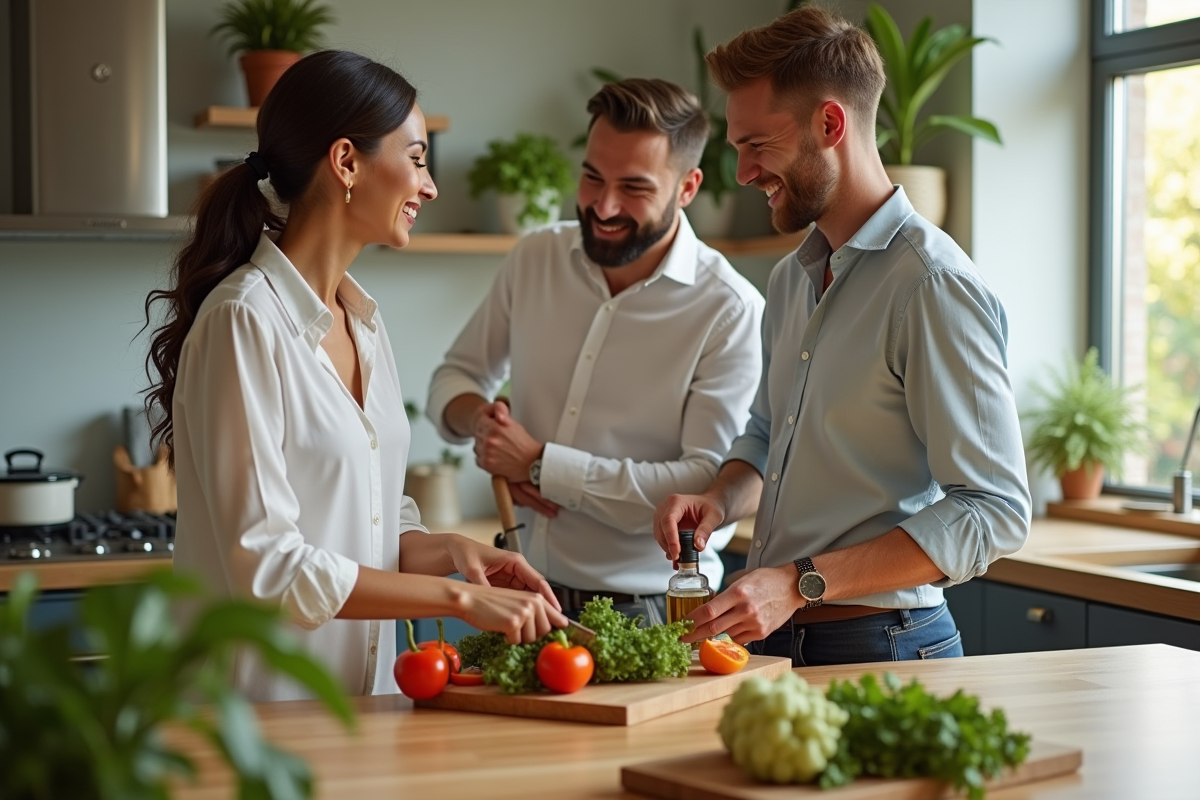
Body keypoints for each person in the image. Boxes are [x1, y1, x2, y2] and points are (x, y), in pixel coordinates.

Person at [144, 51, 566, 702]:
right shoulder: (244, 321)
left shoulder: (363, 321)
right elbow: (267, 568)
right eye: (418, 158)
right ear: (346, 162)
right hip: (257, 719)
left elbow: (372, 520)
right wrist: (455, 599)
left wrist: (455, 552)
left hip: (360, 710)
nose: (428, 188)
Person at [653, 7, 1032, 665]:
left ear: (829, 125)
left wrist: (802, 582)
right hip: (775, 633)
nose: (742, 173)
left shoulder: (931, 285)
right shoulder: (790, 279)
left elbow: (995, 510)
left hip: (884, 644)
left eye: (756, 145)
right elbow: (769, 436)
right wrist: (721, 497)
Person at [427, 79, 765, 624]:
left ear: (687, 187)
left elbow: (703, 481)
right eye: (591, 177)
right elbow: (455, 378)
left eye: (634, 187)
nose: (603, 206)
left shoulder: (730, 309)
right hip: (524, 596)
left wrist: (539, 465)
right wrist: (485, 426)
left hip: (655, 610)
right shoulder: (534, 257)